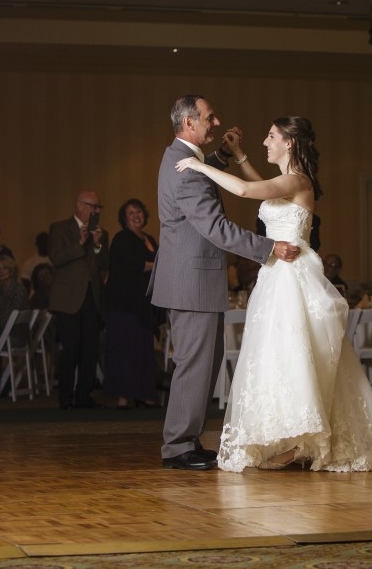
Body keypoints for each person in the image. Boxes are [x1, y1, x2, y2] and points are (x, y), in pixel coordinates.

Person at [176, 115, 372, 473]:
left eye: (271, 137)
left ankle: (305, 439)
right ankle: (292, 438)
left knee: (297, 353)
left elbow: (247, 191)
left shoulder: (299, 181)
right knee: (279, 356)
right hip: (276, 277)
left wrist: (199, 166)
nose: (265, 142)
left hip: (293, 278)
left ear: (289, 142)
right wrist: (239, 157)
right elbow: (264, 186)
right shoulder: (288, 182)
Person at [149, 95, 298, 472]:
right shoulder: (185, 171)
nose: (215, 123)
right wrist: (268, 247)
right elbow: (216, 228)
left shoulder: (183, 160)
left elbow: (201, 176)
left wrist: (222, 157)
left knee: (202, 364)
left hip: (189, 279)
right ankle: (178, 446)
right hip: (191, 281)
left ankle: (186, 440)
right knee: (194, 365)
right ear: (188, 123)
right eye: (209, 118)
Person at [48, 190, 109, 410]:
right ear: (80, 205)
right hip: (68, 299)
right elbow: (56, 258)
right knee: (71, 348)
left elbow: (104, 264)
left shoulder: (102, 233)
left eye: (99, 207)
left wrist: (97, 244)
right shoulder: (59, 228)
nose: (97, 211)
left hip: (92, 298)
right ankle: (65, 397)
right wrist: (80, 243)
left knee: (90, 349)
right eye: (94, 206)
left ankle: (84, 396)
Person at [103, 198, 161, 410]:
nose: (136, 215)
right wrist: (157, 265)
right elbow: (133, 265)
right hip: (123, 305)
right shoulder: (121, 238)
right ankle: (123, 398)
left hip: (143, 304)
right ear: (124, 219)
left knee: (143, 350)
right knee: (124, 351)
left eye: (139, 211)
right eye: (131, 213)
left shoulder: (149, 239)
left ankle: (145, 395)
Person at [0, 254, 29, 358]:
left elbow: (4, 321)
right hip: (6, 335)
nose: (1, 271)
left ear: (12, 270)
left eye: (5, 268)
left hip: (14, 337)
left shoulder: (17, 289)